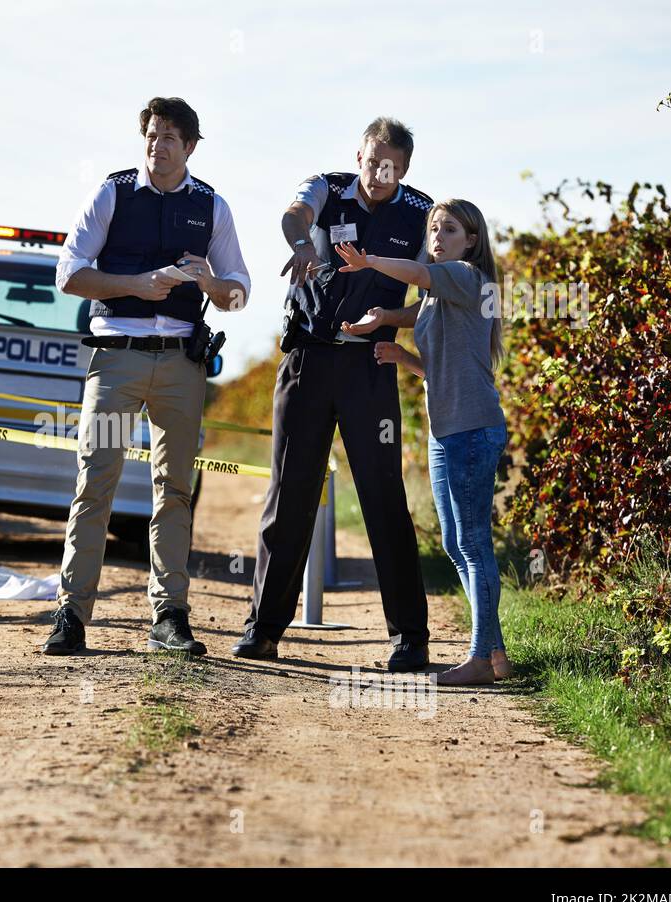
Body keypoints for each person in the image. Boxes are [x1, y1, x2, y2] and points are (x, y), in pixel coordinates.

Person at [43, 96, 250, 657]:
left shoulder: (213, 207)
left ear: (190, 146)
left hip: (182, 366)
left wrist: (208, 284)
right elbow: (69, 275)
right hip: (116, 360)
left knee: (175, 491)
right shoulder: (111, 192)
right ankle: (71, 615)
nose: (158, 146)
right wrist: (136, 284)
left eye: (170, 138)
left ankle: (170, 617)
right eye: (152, 135)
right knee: (96, 482)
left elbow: (239, 293)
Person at [234, 117, 432, 671]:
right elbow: (293, 214)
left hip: (371, 367)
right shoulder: (324, 186)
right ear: (360, 154)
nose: (378, 172)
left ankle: (410, 637)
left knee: (383, 498)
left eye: (390, 165)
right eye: (372, 160)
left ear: (405, 168)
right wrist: (300, 242)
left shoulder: (422, 213)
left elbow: (444, 295)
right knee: (290, 494)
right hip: (308, 361)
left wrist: (391, 318)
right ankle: (264, 628)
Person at [333, 197, 511, 685]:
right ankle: (495, 654)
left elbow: (418, 275)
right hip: (445, 432)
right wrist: (392, 343)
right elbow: (430, 347)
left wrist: (368, 261)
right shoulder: (440, 296)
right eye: (433, 227)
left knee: (473, 544)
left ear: (470, 241)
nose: (437, 236)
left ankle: (479, 657)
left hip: (472, 431)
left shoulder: (467, 277)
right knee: (457, 544)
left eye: (448, 229)